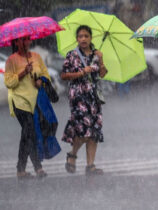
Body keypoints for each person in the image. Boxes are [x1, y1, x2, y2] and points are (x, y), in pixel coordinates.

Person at [61, 25, 107, 176]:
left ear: (91, 38)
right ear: (77, 39)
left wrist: (101, 60)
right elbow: (64, 75)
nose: (83, 39)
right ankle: (72, 154)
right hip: (78, 96)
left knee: (94, 131)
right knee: (83, 130)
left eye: (86, 36)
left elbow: (103, 74)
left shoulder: (96, 54)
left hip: (93, 96)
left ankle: (90, 165)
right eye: (80, 36)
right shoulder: (72, 55)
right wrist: (81, 73)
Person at [4, 36, 49, 179]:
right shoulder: (11, 60)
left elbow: (45, 75)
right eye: (21, 40)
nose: (25, 42)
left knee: (27, 134)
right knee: (30, 131)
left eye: (27, 39)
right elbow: (9, 83)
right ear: (16, 42)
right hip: (19, 101)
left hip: (34, 101)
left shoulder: (36, 57)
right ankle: (37, 167)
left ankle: (21, 169)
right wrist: (23, 72)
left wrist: (40, 81)